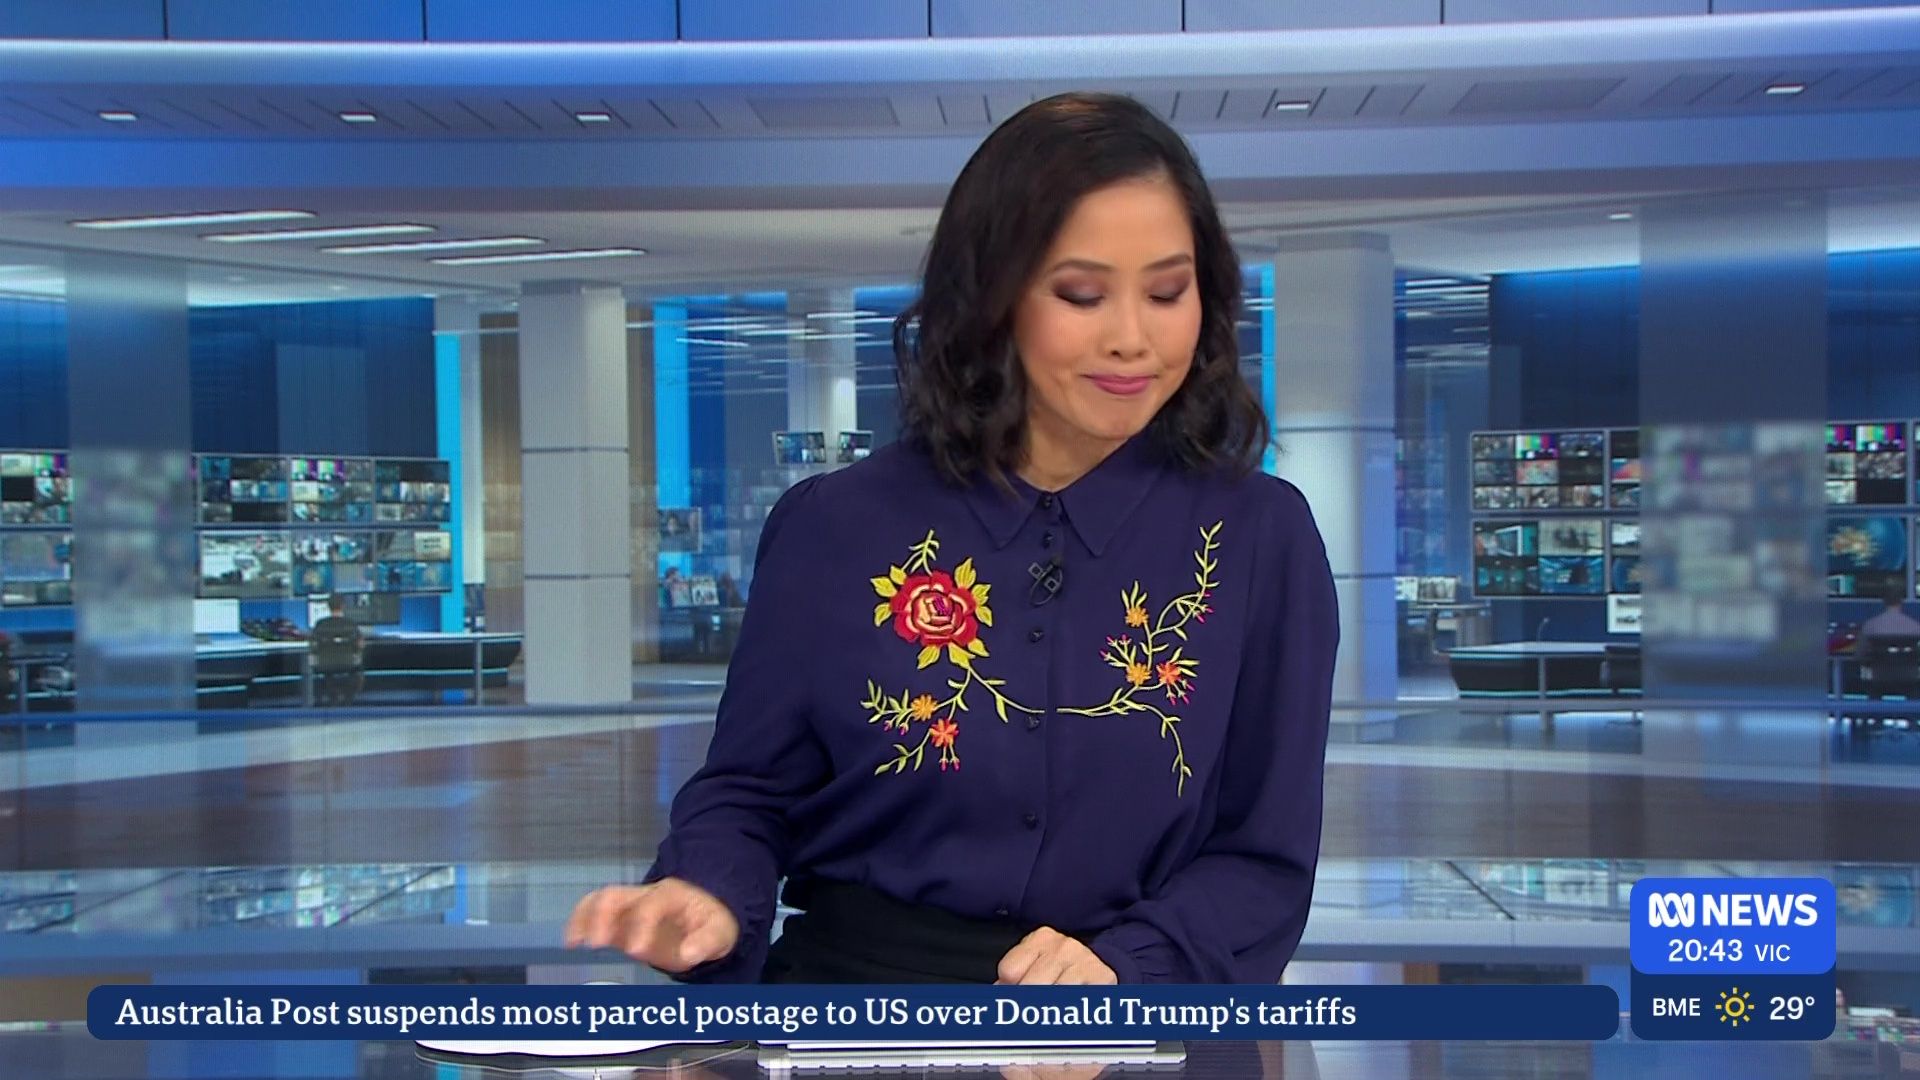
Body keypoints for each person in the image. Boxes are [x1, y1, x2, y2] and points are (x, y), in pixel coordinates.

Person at [566, 92, 1339, 985]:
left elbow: (1263, 858)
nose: (1133, 339)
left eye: (1168, 291)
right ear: (993, 297)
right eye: (1082, 295)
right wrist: (705, 891)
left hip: (1131, 1022)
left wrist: (1127, 967)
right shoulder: (835, 526)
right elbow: (749, 792)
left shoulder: (1260, 539)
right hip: (853, 1010)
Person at [308, 594, 364, 706]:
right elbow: (360, 645)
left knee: (327, 672)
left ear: (328, 606)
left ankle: (333, 697)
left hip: (324, 664)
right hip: (348, 663)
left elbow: (313, 645)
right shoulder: (351, 624)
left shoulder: (320, 625)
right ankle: (347, 700)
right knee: (358, 671)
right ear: (343, 606)